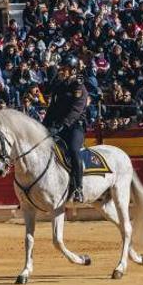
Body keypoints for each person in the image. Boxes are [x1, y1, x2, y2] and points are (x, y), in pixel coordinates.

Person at [43, 58, 89, 203]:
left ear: (73, 70)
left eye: (66, 68)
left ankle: (78, 188)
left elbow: (76, 110)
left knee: (74, 150)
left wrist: (63, 124)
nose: (62, 70)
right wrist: (44, 126)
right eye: (62, 68)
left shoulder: (79, 87)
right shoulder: (60, 86)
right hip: (58, 126)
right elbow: (52, 108)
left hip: (75, 126)